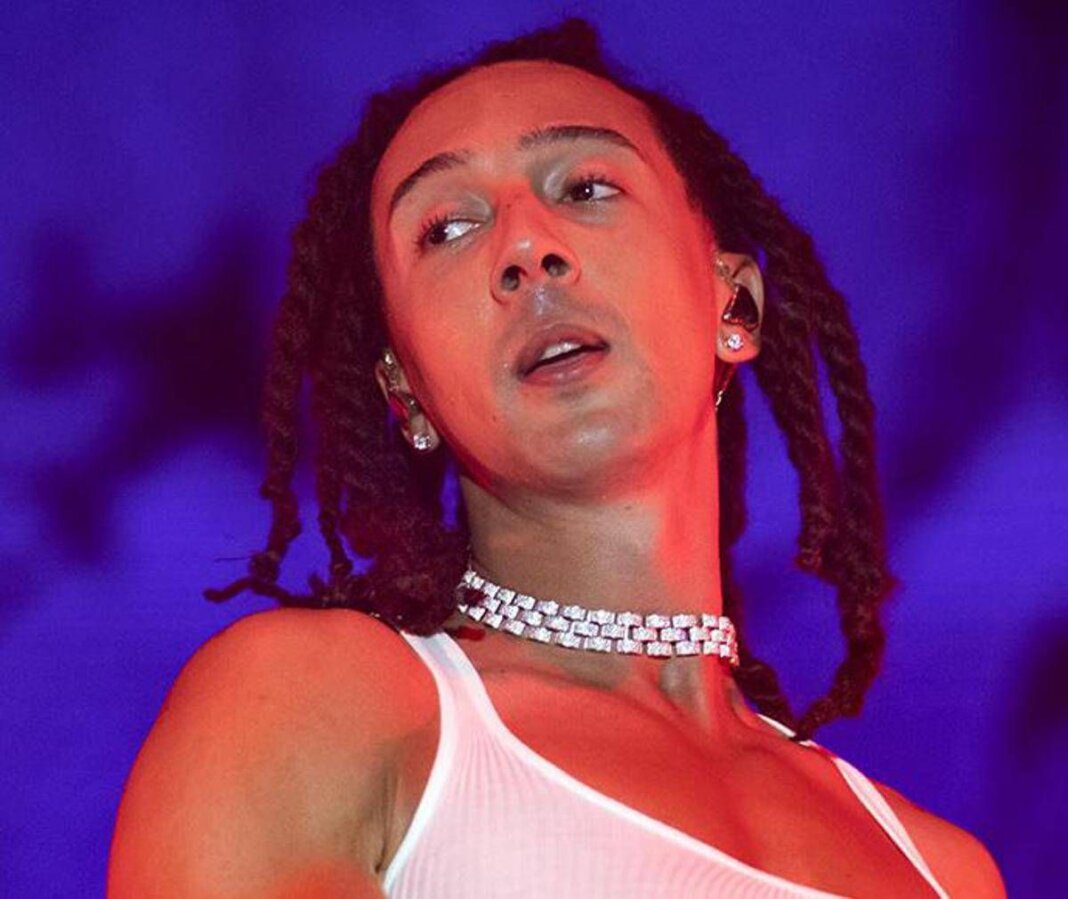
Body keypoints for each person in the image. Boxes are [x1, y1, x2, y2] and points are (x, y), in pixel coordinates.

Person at [108, 18, 1006, 898]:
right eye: (447, 228)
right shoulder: (315, 706)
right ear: (405, 393)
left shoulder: (944, 872)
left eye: (585, 186)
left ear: (732, 306)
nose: (527, 247)